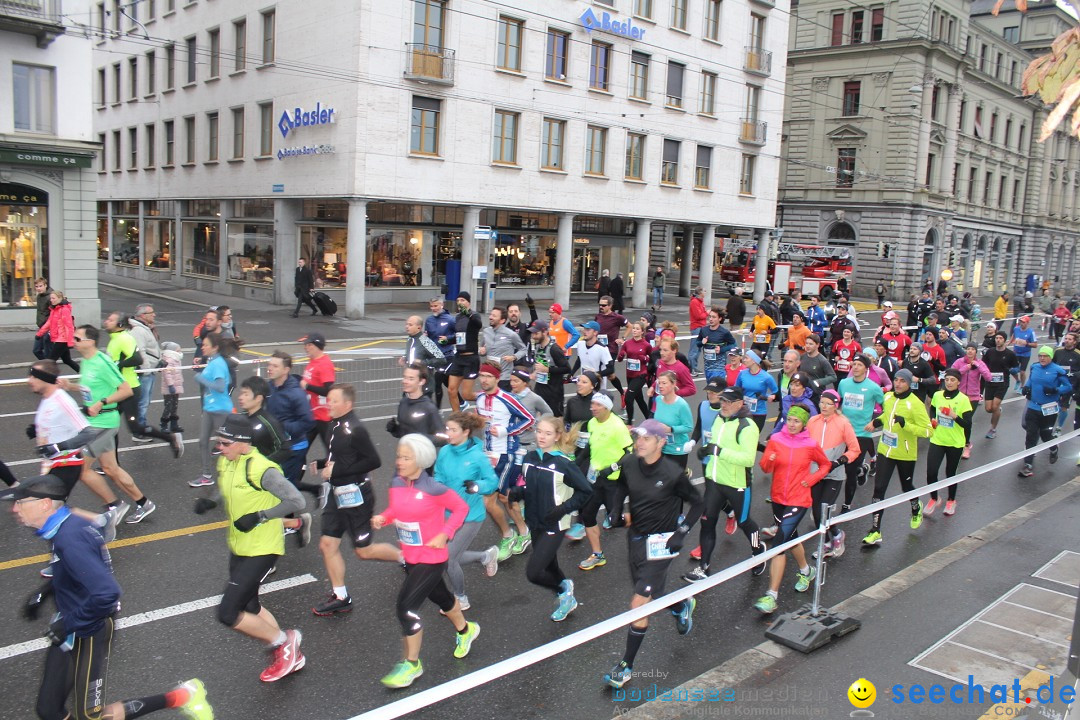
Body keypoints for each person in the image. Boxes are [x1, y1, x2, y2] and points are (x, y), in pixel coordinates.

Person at [6, 474, 215, 720]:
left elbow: (107, 593)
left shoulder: (69, 537)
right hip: (72, 620)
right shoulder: (62, 527)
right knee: (49, 710)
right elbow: (77, 570)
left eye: (21, 502)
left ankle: (183, 697)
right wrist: (44, 593)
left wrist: (68, 624)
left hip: (90, 627)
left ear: (44, 504)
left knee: (90, 716)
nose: (14, 508)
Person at [190, 415, 307, 682]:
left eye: (225, 443)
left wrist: (260, 516)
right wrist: (211, 502)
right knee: (250, 605)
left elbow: (296, 500)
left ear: (243, 444)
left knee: (228, 612)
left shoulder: (263, 469)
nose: (220, 448)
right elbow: (227, 487)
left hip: (263, 547)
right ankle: (289, 654)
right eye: (218, 442)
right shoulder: (227, 460)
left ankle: (284, 641)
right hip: (239, 544)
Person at [602, 419, 704, 689]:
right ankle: (680, 605)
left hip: (662, 543)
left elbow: (697, 503)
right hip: (636, 537)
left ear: (660, 442)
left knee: (638, 602)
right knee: (650, 591)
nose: (640, 442)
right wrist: (615, 508)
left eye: (646, 438)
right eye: (638, 437)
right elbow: (622, 486)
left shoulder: (672, 473)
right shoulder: (630, 462)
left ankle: (626, 665)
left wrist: (680, 533)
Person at [372, 434, 477, 689]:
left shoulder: (433, 488)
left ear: (420, 460)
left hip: (432, 559)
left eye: (406, 457)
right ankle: (466, 630)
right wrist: (383, 518)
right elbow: (397, 509)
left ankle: (411, 664)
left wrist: (445, 533)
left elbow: (461, 509)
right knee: (442, 599)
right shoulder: (397, 483)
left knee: (405, 608)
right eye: (399, 456)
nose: (399, 461)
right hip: (411, 558)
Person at [312, 384, 400, 616]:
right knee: (327, 544)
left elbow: (373, 461)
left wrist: (336, 470)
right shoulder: (334, 424)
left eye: (333, 401)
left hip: (357, 497)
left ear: (347, 404)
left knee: (364, 551)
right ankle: (341, 596)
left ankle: (406, 558)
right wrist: (323, 464)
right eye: (328, 400)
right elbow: (341, 457)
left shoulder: (356, 429)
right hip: (336, 494)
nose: (328, 404)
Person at [70, 325, 157, 528]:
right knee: (111, 468)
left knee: (80, 469)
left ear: (90, 341)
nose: (73, 341)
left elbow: (125, 390)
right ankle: (144, 504)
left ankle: (114, 505)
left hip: (103, 423)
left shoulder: (102, 362)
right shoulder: (86, 361)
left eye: (77, 338)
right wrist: (70, 386)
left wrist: (101, 402)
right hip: (93, 422)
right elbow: (88, 388)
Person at [509, 416, 593, 621]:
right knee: (549, 565)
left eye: (548, 433)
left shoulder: (563, 463)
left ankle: (563, 591)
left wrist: (564, 508)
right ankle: (567, 595)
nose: (542, 437)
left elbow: (586, 491)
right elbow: (532, 484)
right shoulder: (530, 458)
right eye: (539, 432)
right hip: (534, 520)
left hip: (554, 524)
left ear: (557, 436)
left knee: (534, 573)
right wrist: (520, 491)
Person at [752, 406, 833, 614]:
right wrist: (769, 459)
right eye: (790, 420)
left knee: (779, 543)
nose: (792, 424)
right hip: (778, 497)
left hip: (799, 499)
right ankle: (807, 571)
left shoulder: (810, 444)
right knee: (791, 536)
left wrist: (811, 479)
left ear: (804, 423)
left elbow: (825, 465)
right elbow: (764, 468)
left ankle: (772, 596)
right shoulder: (777, 439)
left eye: (797, 421)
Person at [685, 386, 767, 582]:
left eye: (728, 402)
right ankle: (703, 567)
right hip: (715, 480)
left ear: (740, 403)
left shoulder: (747, 426)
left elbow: (748, 459)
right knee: (707, 522)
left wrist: (718, 451)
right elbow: (714, 442)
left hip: (738, 483)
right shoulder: (719, 419)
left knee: (744, 521)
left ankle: (758, 551)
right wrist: (705, 449)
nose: (723, 405)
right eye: (722, 401)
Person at [433, 412, 500, 611]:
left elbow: (492, 482)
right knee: (450, 555)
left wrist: (477, 486)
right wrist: (437, 487)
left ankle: (460, 597)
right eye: (447, 429)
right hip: (447, 513)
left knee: (448, 558)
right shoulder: (445, 451)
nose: (448, 433)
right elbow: (438, 474)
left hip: (471, 516)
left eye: (453, 430)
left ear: (466, 432)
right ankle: (485, 556)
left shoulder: (478, 456)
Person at [861, 369, 933, 546]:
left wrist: (906, 424)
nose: (898, 384)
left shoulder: (915, 404)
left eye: (903, 381)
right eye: (896, 380)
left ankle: (916, 507)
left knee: (906, 486)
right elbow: (888, 415)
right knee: (879, 489)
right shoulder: (888, 397)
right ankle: (875, 530)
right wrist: (876, 422)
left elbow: (928, 430)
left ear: (909, 383)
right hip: (886, 450)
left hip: (905, 454)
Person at [475, 363, 535, 560]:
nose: (484, 380)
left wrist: (507, 431)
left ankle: (510, 535)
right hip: (487, 454)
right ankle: (523, 531)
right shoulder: (480, 399)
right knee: (503, 497)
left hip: (505, 454)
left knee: (491, 499)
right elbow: (482, 423)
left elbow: (529, 419)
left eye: (488, 376)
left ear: (497, 378)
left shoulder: (507, 399)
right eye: (481, 376)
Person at [103, 311, 181, 453]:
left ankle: (169, 438)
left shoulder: (124, 338)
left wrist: (118, 366)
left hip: (129, 390)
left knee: (135, 427)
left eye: (110, 319)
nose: (106, 321)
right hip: (118, 389)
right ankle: (112, 465)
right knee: (109, 427)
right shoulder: (114, 339)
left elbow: (137, 359)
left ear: (119, 324)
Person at [576, 393, 633, 571]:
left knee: (614, 520)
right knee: (587, 515)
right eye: (592, 403)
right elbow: (589, 446)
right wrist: (576, 463)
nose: (592, 407)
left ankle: (643, 522)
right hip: (595, 478)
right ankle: (597, 555)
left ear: (606, 407)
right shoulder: (592, 423)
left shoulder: (617, 426)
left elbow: (629, 452)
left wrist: (613, 467)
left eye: (597, 404)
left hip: (613, 481)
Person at [806, 389, 859, 559]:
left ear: (836, 406)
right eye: (822, 402)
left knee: (824, 510)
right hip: (815, 473)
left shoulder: (843, 423)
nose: (824, 406)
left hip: (834, 474)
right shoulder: (813, 421)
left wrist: (840, 461)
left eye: (828, 403)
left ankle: (830, 541)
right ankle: (833, 537)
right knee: (816, 515)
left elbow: (855, 449)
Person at [265, 351, 320, 499]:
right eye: (269, 364)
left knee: (283, 489)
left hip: (293, 448)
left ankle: (295, 521)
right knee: (277, 485)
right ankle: (315, 491)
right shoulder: (268, 388)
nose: (270, 368)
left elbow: (308, 422)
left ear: (286, 370)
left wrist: (283, 427)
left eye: (275, 366)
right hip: (276, 446)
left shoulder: (296, 393)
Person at [837, 355, 886, 513]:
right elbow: (838, 403)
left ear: (866, 368)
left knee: (850, 471)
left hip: (861, 434)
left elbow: (887, 407)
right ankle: (862, 468)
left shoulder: (873, 388)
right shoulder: (844, 383)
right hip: (843, 432)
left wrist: (875, 422)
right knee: (843, 467)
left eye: (859, 365)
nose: (855, 367)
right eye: (854, 364)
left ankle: (846, 505)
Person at [924, 369, 973, 517]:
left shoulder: (964, 399)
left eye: (953, 380)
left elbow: (967, 425)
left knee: (950, 473)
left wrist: (954, 416)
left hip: (955, 442)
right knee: (931, 472)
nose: (949, 382)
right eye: (947, 380)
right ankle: (934, 498)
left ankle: (951, 500)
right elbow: (932, 409)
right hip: (937, 439)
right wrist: (933, 419)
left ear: (959, 382)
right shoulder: (938, 395)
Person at [1018, 346, 1073, 477]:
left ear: (1050, 357)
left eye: (1045, 356)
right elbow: (1031, 379)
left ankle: (1053, 448)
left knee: (1045, 435)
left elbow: (1068, 387)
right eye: (1040, 356)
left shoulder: (1057, 370)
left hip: (1049, 409)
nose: (1042, 358)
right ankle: (1028, 465)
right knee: (1030, 435)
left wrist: (1056, 390)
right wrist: (1026, 387)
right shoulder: (1035, 367)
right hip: (1033, 406)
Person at [191, 333, 233, 488]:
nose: (203, 347)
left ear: (215, 347)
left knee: (226, 444)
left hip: (220, 410)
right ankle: (206, 475)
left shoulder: (218, 364)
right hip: (210, 408)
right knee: (203, 441)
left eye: (206, 345)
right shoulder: (212, 361)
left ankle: (233, 475)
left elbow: (221, 387)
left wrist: (201, 378)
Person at [387, 364, 446, 443]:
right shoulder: (403, 402)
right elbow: (404, 434)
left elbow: (443, 438)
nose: (405, 381)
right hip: (405, 452)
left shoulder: (429, 407)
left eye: (411, 379)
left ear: (421, 381)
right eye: (405, 377)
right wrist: (395, 429)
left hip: (423, 454)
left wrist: (419, 438)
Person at [525, 319, 572, 417]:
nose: (533, 336)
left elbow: (567, 368)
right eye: (532, 333)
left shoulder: (554, 349)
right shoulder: (538, 347)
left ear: (545, 332)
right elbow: (539, 365)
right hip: (540, 390)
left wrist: (548, 370)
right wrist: (534, 372)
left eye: (536, 333)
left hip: (554, 393)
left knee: (554, 422)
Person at [128, 304, 162, 434]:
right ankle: (139, 431)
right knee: (142, 402)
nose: (154, 315)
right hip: (144, 373)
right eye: (151, 313)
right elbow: (140, 351)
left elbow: (151, 348)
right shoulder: (138, 330)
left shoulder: (145, 328)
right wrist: (147, 369)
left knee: (144, 402)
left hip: (149, 371)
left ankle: (141, 427)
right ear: (143, 315)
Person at [951, 345, 991, 458]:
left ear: (976, 352)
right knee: (957, 419)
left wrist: (977, 366)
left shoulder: (980, 363)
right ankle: (958, 441)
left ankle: (966, 445)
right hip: (959, 396)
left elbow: (988, 377)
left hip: (972, 397)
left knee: (967, 421)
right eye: (968, 349)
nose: (970, 351)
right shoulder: (959, 362)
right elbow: (952, 374)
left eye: (972, 349)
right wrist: (966, 367)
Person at [446, 292, 484, 412]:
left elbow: (478, 325)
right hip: (459, 358)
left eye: (462, 300)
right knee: (451, 390)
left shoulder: (474, 315)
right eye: (458, 301)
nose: (460, 303)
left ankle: (489, 398)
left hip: (471, 358)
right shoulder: (457, 317)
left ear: (468, 302)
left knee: (467, 395)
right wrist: (447, 340)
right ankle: (457, 417)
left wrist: (468, 314)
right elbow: (459, 337)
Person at [299, 332, 336, 454]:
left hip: (323, 417)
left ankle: (334, 471)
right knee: (300, 450)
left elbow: (329, 390)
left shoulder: (324, 364)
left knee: (332, 453)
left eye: (308, 345)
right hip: (311, 415)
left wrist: (307, 386)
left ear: (316, 345)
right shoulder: (312, 361)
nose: (305, 347)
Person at [650, 371, 694, 471]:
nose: (660, 386)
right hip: (661, 448)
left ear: (673, 384)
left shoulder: (681, 405)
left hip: (677, 451)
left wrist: (670, 429)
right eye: (659, 383)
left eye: (664, 383)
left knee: (675, 483)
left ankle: (685, 474)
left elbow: (688, 427)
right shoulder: (658, 400)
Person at [982, 332, 1021, 439]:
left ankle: (992, 429)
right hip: (990, 382)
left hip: (1002, 383)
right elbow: (983, 364)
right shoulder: (990, 352)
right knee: (988, 409)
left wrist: (1014, 370)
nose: (998, 340)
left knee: (994, 406)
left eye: (1000, 338)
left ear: (1004, 340)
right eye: (996, 338)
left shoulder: (1010, 354)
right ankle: (998, 410)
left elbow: (1017, 367)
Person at [480, 306, 527, 390]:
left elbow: (523, 349)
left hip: (503, 377)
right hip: (490, 376)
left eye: (494, 316)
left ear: (502, 320)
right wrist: (481, 351)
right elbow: (482, 349)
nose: (490, 317)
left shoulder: (511, 334)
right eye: (491, 315)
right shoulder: (486, 332)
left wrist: (514, 357)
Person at [424, 297, 457, 408]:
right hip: (432, 356)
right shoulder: (429, 320)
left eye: (436, 306)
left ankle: (438, 409)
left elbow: (459, 336)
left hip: (446, 355)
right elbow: (427, 336)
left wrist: (448, 338)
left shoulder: (450, 320)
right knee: (430, 384)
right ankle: (429, 407)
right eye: (431, 306)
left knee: (438, 381)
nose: (433, 308)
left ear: (442, 305)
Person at [618, 322, 653, 424]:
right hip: (630, 375)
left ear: (642, 332)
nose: (634, 330)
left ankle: (629, 422)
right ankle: (650, 420)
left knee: (628, 398)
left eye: (637, 329)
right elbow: (619, 359)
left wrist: (644, 358)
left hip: (641, 375)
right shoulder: (627, 343)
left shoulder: (646, 345)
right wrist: (621, 355)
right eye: (633, 328)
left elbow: (652, 359)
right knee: (639, 399)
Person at [736, 350, 778, 431]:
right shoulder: (742, 374)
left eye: (746, 358)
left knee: (753, 439)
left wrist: (766, 397)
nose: (744, 360)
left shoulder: (766, 377)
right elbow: (736, 389)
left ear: (754, 360)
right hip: (744, 411)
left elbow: (776, 393)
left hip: (759, 412)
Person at [402, 315, 445, 392]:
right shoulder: (410, 339)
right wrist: (405, 357)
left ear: (419, 327)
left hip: (424, 386)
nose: (407, 327)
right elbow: (414, 353)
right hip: (411, 384)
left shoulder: (425, 341)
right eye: (406, 324)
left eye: (410, 325)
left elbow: (441, 359)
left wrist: (423, 362)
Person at [38, 290, 79, 372]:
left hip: (63, 340)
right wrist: (40, 333)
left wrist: (70, 342)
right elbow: (49, 323)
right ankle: (83, 373)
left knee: (50, 361)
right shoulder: (54, 309)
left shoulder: (64, 310)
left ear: (60, 298)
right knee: (67, 360)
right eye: (51, 298)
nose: (51, 300)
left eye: (53, 298)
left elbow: (69, 326)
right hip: (59, 338)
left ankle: (47, 378)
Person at [696, 308, 736, 383]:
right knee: (710, 392)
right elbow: (697, 343)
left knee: (716, 391)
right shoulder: (704, 330)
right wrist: (702, 342)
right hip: (707, 367)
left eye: (714, 317)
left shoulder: (724, 332)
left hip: (719, 368)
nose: (710, 319)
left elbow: (734, 344)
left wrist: (722, 349)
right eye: (710, 316)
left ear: (720, 318)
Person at [1051, 333, 1080, 435]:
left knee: (1063, 407)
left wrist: (1074, 375)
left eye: (1070, 339)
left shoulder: (1078, 354)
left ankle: (1059, 427)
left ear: (1074, 342)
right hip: (1057, 383)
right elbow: (1052, 364)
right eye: (1066, 338)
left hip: (1069, 385)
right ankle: (1049, 425)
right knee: (1053, 405)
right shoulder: (1058, 351)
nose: (1067, 340)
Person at [1010, 315, 1038, 389]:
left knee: (1022, 372)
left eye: (1023, 322)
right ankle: (1017, 380)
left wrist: (1027, 343)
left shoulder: (1031, 332)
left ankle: (1022, 386)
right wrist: (1010, 341)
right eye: (1020, 322)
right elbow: (1014, 335)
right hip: (1016, 353)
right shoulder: (1016, 329)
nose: (1021, 323)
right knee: (1012, 370)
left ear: (1027, 323)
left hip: (1025, 354)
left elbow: (1035, 345)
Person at [688, 287, 708, 373]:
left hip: (701, 327)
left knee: (698, 348)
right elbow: (698, 316)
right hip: (697, 327)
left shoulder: (700, 301)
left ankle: (694, 366)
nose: (705, 292)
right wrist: (707, 313)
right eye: (704, 290)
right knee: (694, 348)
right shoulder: (694, 302)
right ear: (700, 292)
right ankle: (691, 368)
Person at [33, 277, 53, 360]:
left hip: (48, 327)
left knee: (48, 351)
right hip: (41, 326)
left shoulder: (51, 297)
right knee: (36, 350)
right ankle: (47, 365)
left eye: (40, 286)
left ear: (45, 285)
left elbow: (54, 313)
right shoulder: (39, 296)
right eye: (37, 286)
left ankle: (48, 367)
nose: (38, 288)